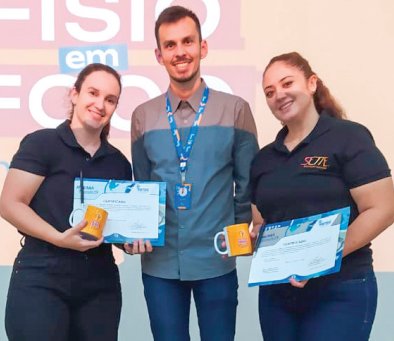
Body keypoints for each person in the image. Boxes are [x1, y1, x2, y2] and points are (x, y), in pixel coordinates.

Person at [131, 6, 259, 341]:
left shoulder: (236, 110)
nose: (180, 52)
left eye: (187, 41)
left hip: (216, 261)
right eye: (170, 45)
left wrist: (240, 238)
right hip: (159, 266)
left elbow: (248, 184)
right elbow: (142, 186)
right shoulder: (142, 116)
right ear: (159, 56)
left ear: (203, 47)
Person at [250, 52, 394, 341]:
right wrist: (255, 240)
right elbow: (261, 224)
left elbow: (384, 209)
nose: (279, 94)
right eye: (269, 92)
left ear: (312, 83)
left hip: (340, 291)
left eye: (287, 83)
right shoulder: (263, 159)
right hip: (277, 298)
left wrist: (319, 259)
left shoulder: (348, 137)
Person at [0, 63, 135, 341]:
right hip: (41, 277)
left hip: (100, 284)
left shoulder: (119, 163)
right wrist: (59, 238)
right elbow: (9, 204)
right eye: (93, 93)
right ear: (74, 94)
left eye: (110, 100)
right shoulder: (42, 144)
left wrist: (132, 241)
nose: (100, 104)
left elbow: (116, 226)